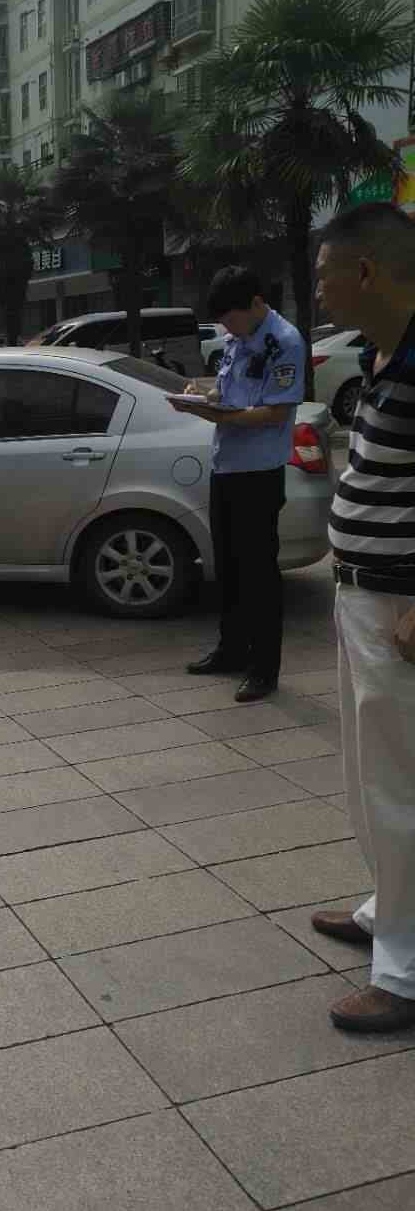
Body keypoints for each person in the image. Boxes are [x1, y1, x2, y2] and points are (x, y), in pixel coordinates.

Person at [309, 201, 415, 1034]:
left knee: (400, 788)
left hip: (398, 603)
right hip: (361, 594)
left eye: (324, 272)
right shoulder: (387, 354)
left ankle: (405, 973)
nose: (319, 290)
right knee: (368, 778)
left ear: (368, 271)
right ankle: (389, 909)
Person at [175, 266, 306, 702]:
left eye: (231, 318)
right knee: (228, 567)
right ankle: (230, 650)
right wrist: (204, 394)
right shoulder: (238, 338)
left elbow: (274, 413)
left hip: (258, 474)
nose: (227, 328)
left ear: (255, 303)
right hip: (226, 467)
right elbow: (233, 392)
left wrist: (215, 415)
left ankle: (264, 668)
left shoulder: (283, 342)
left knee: (259, 575)